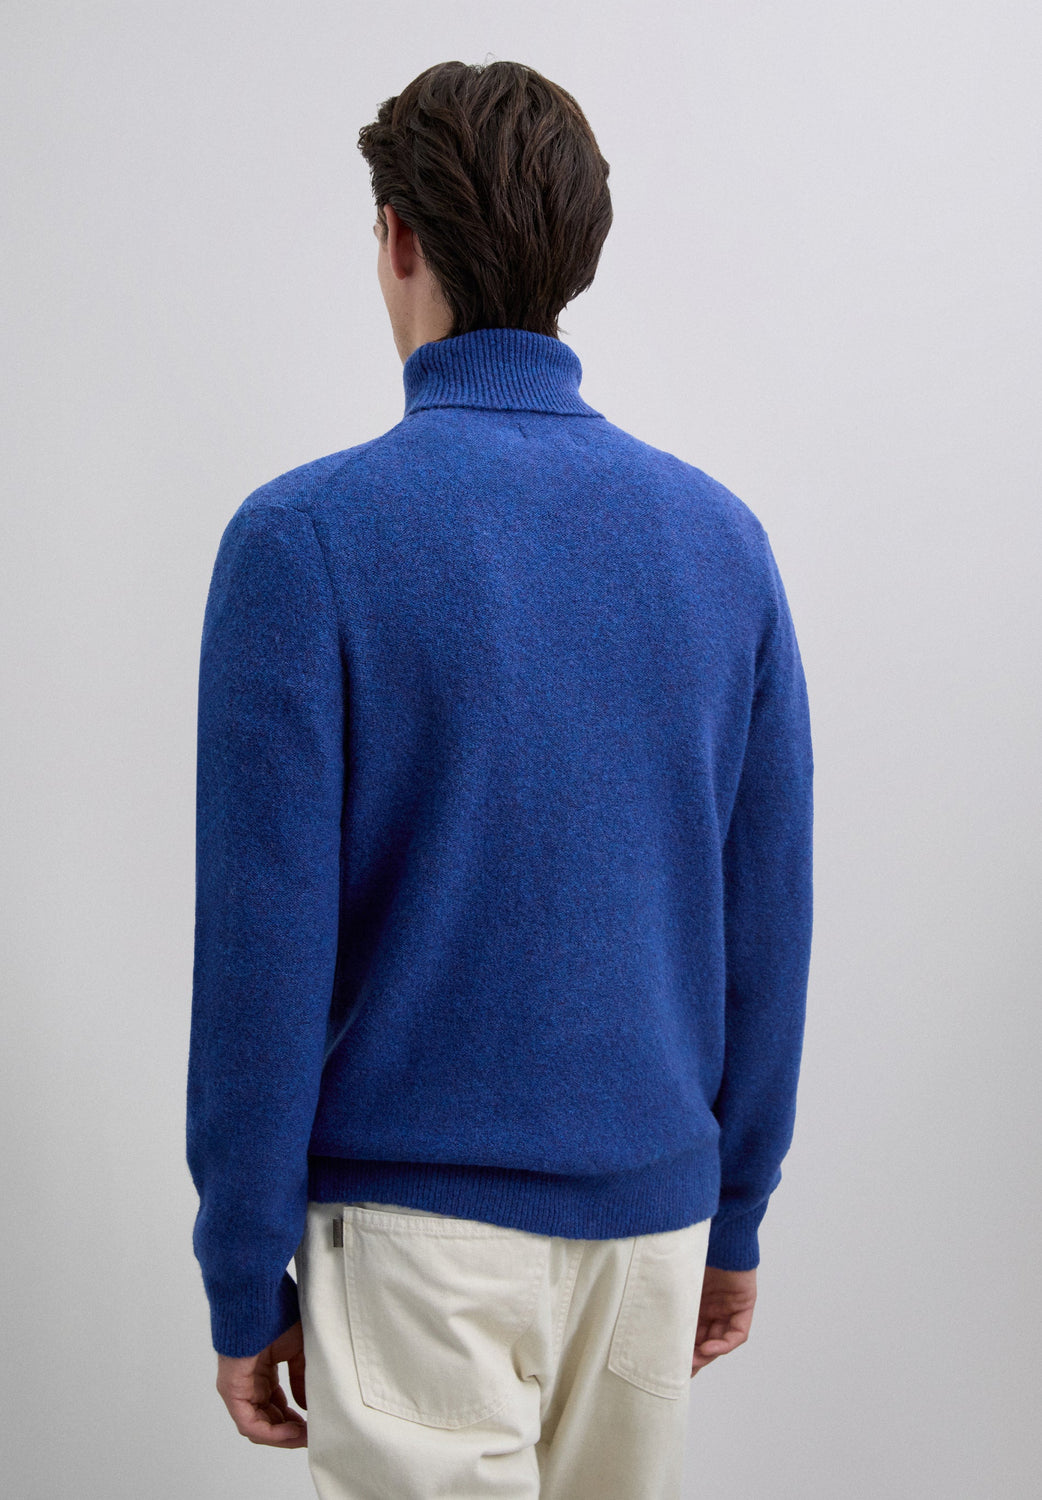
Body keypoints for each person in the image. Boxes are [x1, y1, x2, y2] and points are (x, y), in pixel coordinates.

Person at [186, 58, 813, 1500]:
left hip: (416, 1243)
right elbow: (766, 922)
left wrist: (242, 1269)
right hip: (650, 1233)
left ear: (398, 236)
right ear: (578, 251)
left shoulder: (303, 541)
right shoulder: (719, 542)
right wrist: (732, 1212)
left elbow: (262, 955)